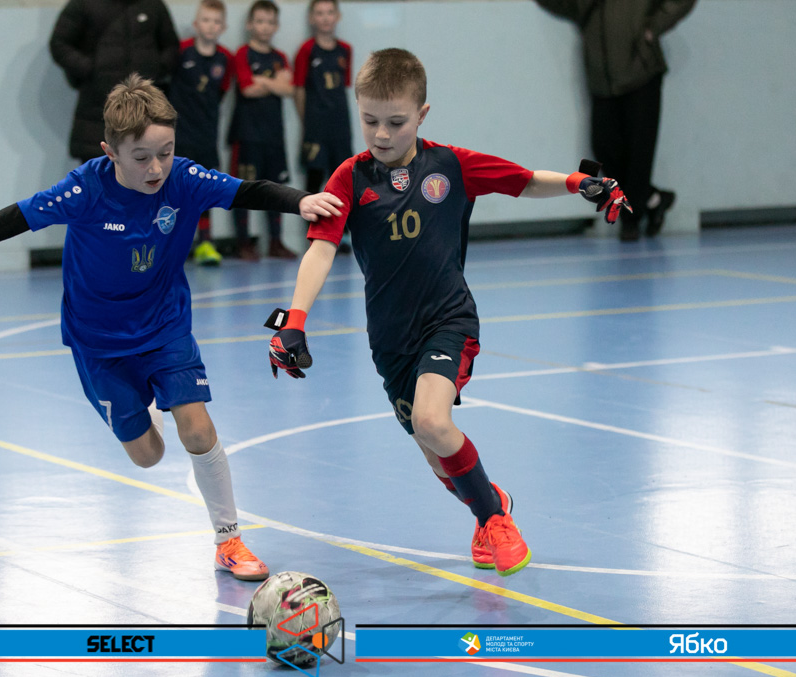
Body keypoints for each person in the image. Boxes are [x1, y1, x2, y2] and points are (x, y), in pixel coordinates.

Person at [0, 74, 343, 582]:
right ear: (110, 152)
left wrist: (300, 201)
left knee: (198, 427)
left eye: (165, 153)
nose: (156, 168)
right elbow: (6, 221)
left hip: (164, 325)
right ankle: (142, 406)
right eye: (141, 157)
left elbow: (247, 191)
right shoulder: (84, 190)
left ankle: (228, 540)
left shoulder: (183, 179)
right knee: (148, 456)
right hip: (99, 342)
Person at [265, 49, 630, 577]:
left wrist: (577, 184)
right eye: (369, 120)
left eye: (396, 122)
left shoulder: (451, 165)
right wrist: (294, 320)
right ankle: (489, 503)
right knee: (436, 453)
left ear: (422, 114)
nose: (382, 134)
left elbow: (524, 179)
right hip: (390, 340)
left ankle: (495, 520)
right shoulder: (349, 178)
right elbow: (321, 249)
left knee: (433, 421)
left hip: (447, 320)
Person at [534, 0, 696, 241]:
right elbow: (567, 5)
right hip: (601, 76)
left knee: (639, 152)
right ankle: (652, 199)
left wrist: (653, 27)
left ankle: (631, 220)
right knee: (603, 148)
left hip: (641, 70)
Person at [50, 0, 181, 162]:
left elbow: (171, 46)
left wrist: (156, 70)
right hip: (97, 110)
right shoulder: (83, 4)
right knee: (98, 173)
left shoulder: (153, 5)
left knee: (145, 171)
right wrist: (90, 69)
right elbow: (59, 44)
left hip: (145, 112)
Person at [227, 0, 297, 261]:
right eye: (259, 21)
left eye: (270, 22)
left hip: (274, 137)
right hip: (247, 135)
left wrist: (263, 81)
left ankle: (275, 242)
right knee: (243, 189)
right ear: (250, 24)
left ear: (276, 26)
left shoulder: (280, 57)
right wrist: (274, 83)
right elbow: (247, 89)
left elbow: (289, 89)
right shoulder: (242, 53)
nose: (265, 27)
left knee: (276, 189)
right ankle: (243, 242)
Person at [169, 0, 234, 266]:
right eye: (206, 20)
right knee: (174, 190)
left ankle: (205, 243)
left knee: (203, 189)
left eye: (216, 21)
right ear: (196, 24)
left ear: (223, 27)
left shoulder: (225, 58)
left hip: (207, 135)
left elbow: (221, 93)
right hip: (178, 135)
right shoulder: (181, 51)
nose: (211, 26)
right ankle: (171, 245)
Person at [293, 0, 354, 254]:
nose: (326, 18)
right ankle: (314, 236)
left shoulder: (345, 50)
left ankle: (343, 234)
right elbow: (298, 89)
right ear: (312, 18)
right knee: (314, 180)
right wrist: (308, 121)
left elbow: (345, 86)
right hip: (316, 128)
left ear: (337, 16)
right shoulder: (306, 50)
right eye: (320, 13)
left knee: (342, 181)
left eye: (330, 12)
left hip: (340, 127)